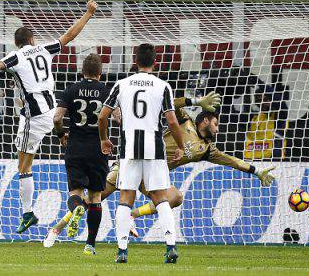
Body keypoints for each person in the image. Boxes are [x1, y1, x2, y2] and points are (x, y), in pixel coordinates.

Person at [44, 92, 276, 246]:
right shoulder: (184, 121)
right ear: (204, 120)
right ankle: (56, 229)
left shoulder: (207, 149)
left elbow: (231, 160)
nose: (218, 128)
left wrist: (255, 171)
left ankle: (131, 216)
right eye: (215, 123)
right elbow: (171, 105)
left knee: (175, 197)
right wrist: (197, 101)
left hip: (154, 177)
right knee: (94, 200)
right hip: (135, 162)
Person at [0, 0, 98, 234]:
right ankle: (84, 188)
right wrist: (89, 13)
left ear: (17, 43)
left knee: (23, 165)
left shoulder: (16, 57)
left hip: (33, 116)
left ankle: (27, 213)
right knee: (67, 145)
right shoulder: (44, 49)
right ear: (32, 39)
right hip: (53, 109)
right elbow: (69, 36)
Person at [99, 43, 185, 264]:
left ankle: (122, 251)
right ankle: (171, 246)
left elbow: (102, 116)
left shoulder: (121, 84)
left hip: (129, 150)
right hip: (155, 149)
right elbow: (172, 121)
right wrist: (181, 146)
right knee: (161, 198)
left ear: (135, 61)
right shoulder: (163, 86)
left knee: (125, 199)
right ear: (155, 62)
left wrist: (103, 139)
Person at [53, 53, 109, 255]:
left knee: (75, 193)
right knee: (95, 197)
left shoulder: (71, 90)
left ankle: (76, 207)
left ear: (82, 71)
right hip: (98, 149)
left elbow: (57, 118)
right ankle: (89, 245)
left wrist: (61, 135)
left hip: (75, 147)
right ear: (100, 73)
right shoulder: (106, 92)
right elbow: (119, 118)